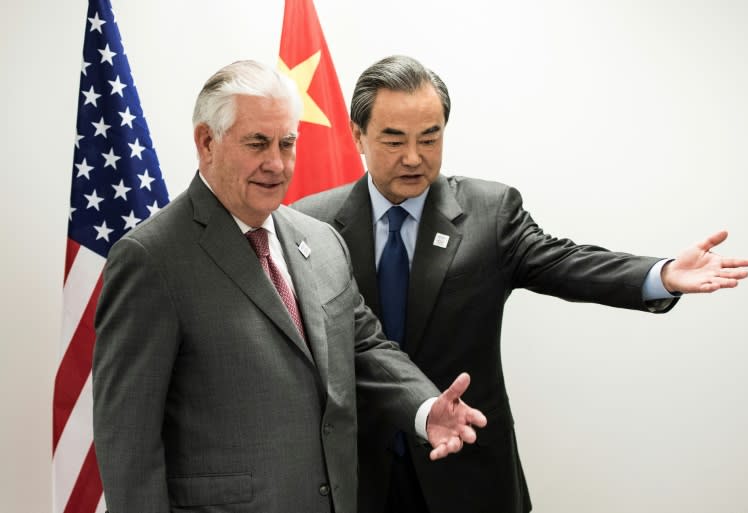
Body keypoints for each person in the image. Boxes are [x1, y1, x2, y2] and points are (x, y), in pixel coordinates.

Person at [292, 55, 748, 513]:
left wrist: (661, 275)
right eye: (394, 140)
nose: (414, 157)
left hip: (467, 474)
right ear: (358, 135)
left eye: (430, 138)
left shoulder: (488, 212)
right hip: (359, 476)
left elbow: (566, 262)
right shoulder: (311, 223)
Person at [91, 59, 488, 513]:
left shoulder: (321, 240)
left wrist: (424, 406)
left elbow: (364, 349)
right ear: (206, 142)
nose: (276, 164)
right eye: (258, 143)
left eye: (287, 143)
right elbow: (128, 442)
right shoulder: (151, 258)